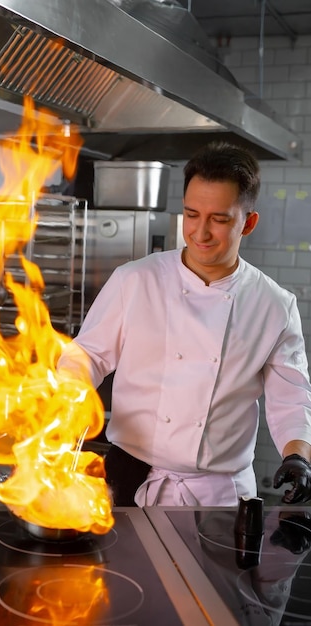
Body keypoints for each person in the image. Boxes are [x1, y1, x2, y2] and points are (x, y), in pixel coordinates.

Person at [58, 141, 311, 507]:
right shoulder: (135, 280)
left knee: (214, 568)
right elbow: (89, 355)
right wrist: (66, 399)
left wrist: (298, 455)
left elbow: (292, 397)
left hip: (220, 494)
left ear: (249, 223)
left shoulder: (274, 305)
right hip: (129, 478)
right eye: (192, 214)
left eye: (219, 219)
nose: (200, 232)